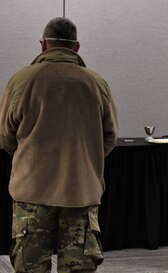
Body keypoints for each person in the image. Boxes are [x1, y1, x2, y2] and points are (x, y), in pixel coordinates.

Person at [0, 17, 118, 273]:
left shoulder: (21, 80)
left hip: (31, 192)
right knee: (78, 268)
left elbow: (6, 138)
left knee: (30, 268)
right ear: (76, 47)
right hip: (81, 193)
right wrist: (86, 160)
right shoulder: (96, 83)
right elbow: (109, 138)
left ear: (43, 45)